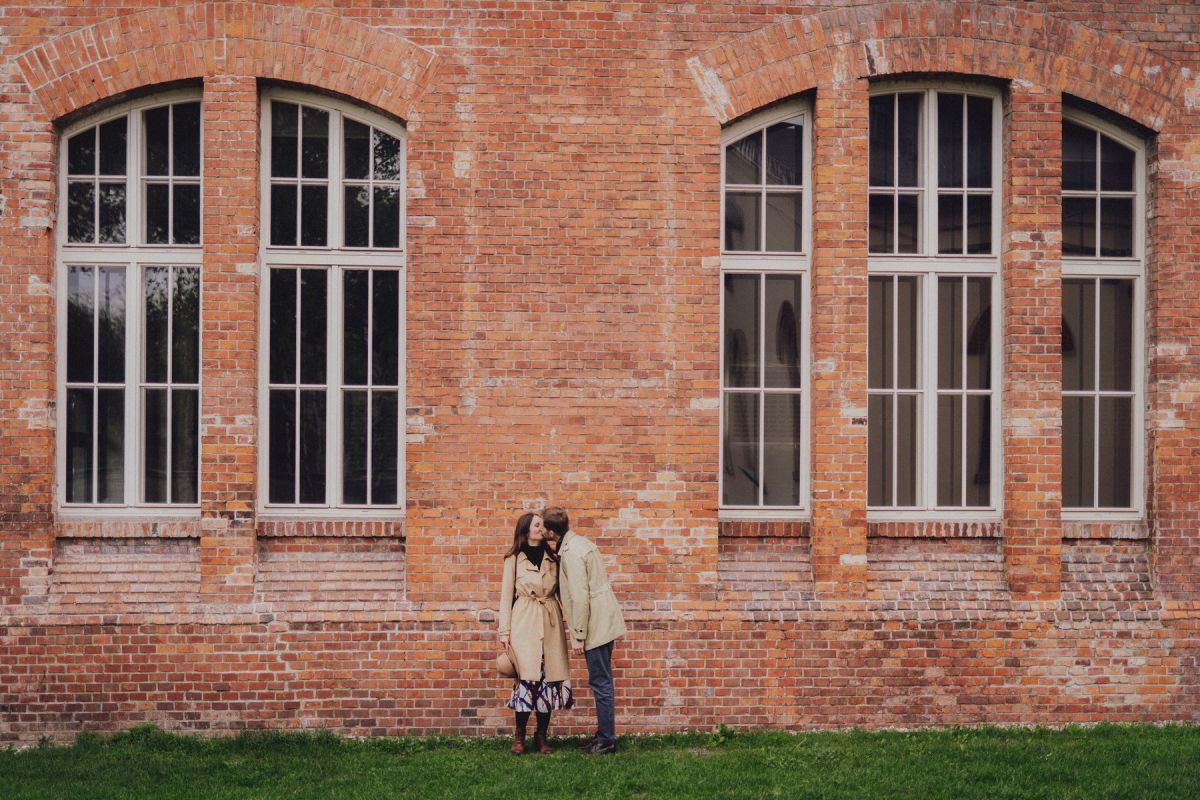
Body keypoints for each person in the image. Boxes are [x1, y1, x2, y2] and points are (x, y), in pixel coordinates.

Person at [544, 506, 626, 755]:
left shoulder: (570, 553)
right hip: (603, 620)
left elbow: (580, 597)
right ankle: (603, 736)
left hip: (595, 625)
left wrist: (577, 635)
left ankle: (606, 741)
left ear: (550, 531)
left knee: (601, 682)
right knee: (602, 681)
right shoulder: (581, 543)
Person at [498, 511, 573, 755]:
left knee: (548, 680)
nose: (542, 528)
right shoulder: (513, 559)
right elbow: (505, 597)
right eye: (537, 525)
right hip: (524, 622)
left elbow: (563, 593)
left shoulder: (554, 557)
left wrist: (573, 624)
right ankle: (519, 736)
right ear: (527, 530)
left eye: (542, 524)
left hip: (549, 622)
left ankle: (541, 736)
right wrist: (504, 632)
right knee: (526, 680)